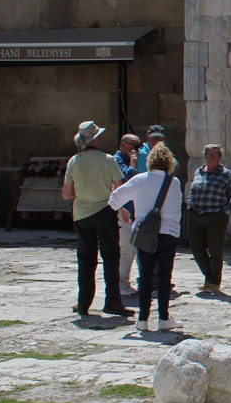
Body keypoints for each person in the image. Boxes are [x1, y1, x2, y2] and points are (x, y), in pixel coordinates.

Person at [109, 143, 184, 333]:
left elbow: (114, 199)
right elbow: (177, 209)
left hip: (144, 233)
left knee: (145, 276)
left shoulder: (139, 179)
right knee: (165, 277)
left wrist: (126, 211)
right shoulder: (173, 182)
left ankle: (143, 319)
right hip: (168, 232)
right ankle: (164, 317)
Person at [61, 120, 132, 318]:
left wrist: (84, 190)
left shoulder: (74, 161)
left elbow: (66, 194)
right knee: (110, 258)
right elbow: (120, 188)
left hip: (82, 214)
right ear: (97, 139)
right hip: (104, 211)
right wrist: (123, 210)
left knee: (85, 260)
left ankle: (83, 304)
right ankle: (112, 302)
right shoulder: (108, 160)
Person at [188, 143, 231, 294]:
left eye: (214, 155)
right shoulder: (199, 172)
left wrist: (225, 212)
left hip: (216, 215)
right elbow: (192, 190)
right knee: (196, 247)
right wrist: (190, 203)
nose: (211, 157)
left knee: (215, 249)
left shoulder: (226, 174)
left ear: (220, 157)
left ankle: (214, 281)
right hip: (196, 214)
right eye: (208, 154)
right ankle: (208, 276)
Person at [113, 134, 143, 298]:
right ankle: (121, 283)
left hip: (132, 210)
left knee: (131, 248)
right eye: (134, 146)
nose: (137, 150)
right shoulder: (116, 160)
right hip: (121, 211)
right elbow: (127, 180)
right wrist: (132, 162)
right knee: (126, 249)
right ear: (124, 144)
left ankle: (123, 281)